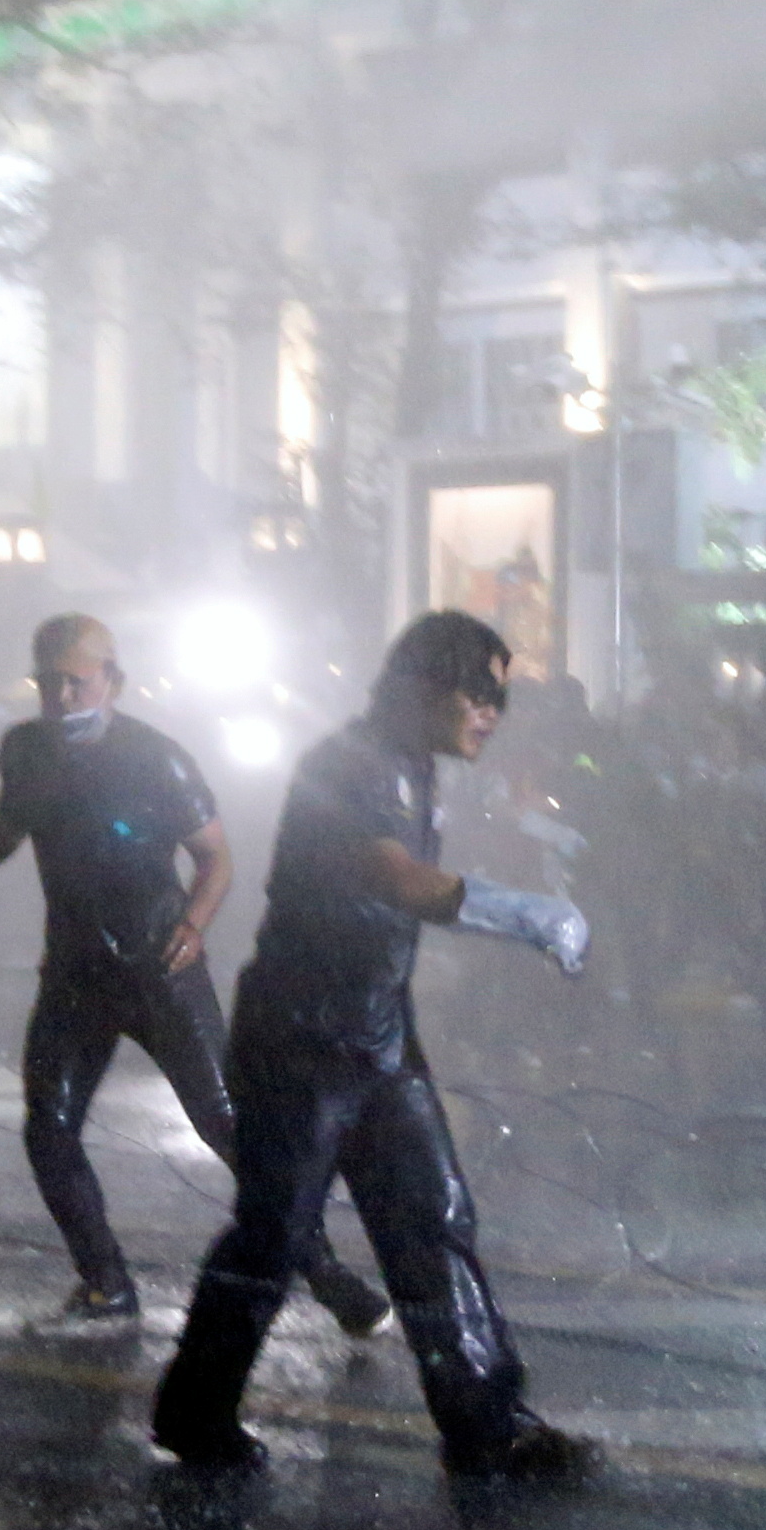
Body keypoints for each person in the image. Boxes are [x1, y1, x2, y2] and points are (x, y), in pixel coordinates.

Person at [152, 611, 599, 1482]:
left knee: (432, 1219)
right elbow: (392, 877)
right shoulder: (350, 764)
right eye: (480, 692)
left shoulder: (407, 767)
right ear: (424, 687)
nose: (491, 714)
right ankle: (194, 1411)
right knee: (272, 1237)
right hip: (301, 1039)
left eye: (498, 697)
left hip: (377, 1034)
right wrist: (523, 911)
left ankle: (488, 1423)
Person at [0, 614, 391, 1333]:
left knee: (226, 1125)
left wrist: (193, 925)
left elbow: (216, 857)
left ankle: (330, 1277)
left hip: (159, 967)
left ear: (113, 680)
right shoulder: (26, 748)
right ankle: (105, 1286)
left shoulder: (155, 757)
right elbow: (10, 824)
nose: (62, 693)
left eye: (77, 678)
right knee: (50, 1127)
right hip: (75, 970)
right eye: (49, 680)